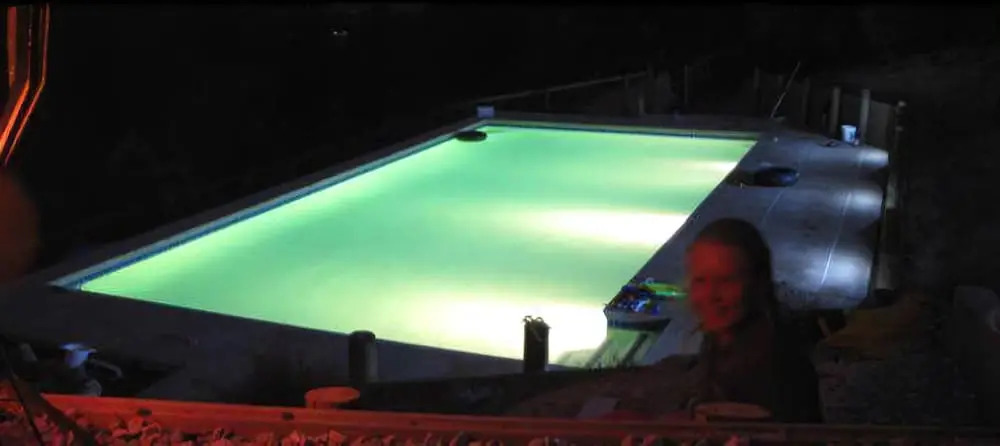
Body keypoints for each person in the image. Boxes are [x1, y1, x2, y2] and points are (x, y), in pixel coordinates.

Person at [679, 218, 821, 423]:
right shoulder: (724, 338)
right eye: (700, 280)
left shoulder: (772, 366)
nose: (710, 295)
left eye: (726, 281)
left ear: (758, 283)